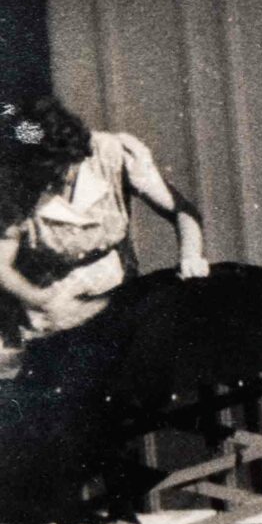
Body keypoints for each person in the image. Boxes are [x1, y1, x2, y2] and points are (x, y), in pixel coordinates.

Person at [0, 97, 207, 348]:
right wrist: (41, 299)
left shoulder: (112, 154)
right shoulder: (16, 183)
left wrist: (190, 255)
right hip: (48, 319)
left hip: (116, 304)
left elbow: (182, 211)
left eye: (62, 168)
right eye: (45, 172)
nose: (56, 179)